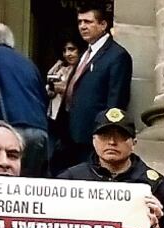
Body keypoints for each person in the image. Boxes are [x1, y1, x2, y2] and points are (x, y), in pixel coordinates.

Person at [58, 1, 132, 168]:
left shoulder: (117, 55)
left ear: (103, 24)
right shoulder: (85, 53)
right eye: (80, 22)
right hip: (70, 137)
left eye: (88, 22)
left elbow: (116, 101)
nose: (83, 26)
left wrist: (105, 137)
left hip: (93, 138)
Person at [0, 23, 50, 176]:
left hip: (8, 129)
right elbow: (43, 95)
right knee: (29, 187)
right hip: (39, 131)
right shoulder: (27, 62)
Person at [46, 39, 82, 131]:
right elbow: (49, 92)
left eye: (71, 49)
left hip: (72, 117)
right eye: (64, 51)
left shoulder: (83, 71)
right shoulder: (61, 69)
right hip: (54, 117)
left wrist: (65, 89)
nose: (67, 54)